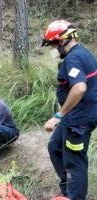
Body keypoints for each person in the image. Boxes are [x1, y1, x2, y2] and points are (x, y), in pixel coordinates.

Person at [42, 20, 97, 200]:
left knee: (75, 160)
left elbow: (80, 87)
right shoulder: (82, 52)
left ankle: (75, 196)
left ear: (62, 41)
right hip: (75, 117)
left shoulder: (73, 58)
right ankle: (67, 189)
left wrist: (59, 115)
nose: (52, 49)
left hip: (79, 121)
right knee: (55, 147)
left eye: (52, 44)